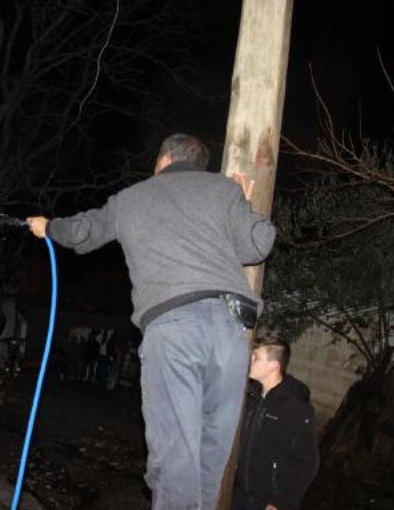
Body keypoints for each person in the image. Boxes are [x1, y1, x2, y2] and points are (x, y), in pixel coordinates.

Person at [27, 132, 276, 509]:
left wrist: (48, 227)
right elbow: (258, 245)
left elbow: (83, 232)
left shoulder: (133, 198)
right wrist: (244, 200)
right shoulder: (223, 191)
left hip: (175, 328)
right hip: (231, 331)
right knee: (212, 454)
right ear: (199, 163)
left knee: (176, 455)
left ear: (162, 160)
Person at [232, 335, 319, 510]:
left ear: (274, 366)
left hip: (268, 502)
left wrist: (282, 502)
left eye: (256, 357)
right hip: (239, 495)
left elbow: (307, 461)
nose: (250, 360)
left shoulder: (294, 407)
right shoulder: (250, 397)